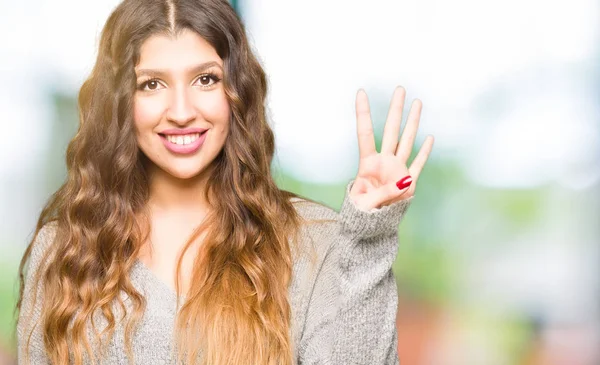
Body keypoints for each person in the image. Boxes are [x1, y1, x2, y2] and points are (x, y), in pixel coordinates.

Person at [15, 0, 434, 364]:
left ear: (237, 91)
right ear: (121, 104)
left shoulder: (312, 243)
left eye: (205, 79)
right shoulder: (65, 252)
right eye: (152, 84)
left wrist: (368, 237)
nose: (181, 111)